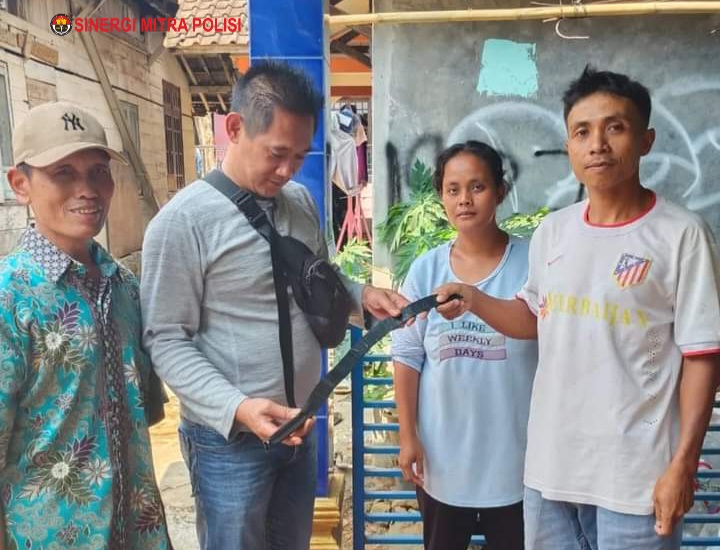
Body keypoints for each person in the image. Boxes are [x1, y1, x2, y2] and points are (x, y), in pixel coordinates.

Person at [434, 66, 720, 550]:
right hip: (550, 475)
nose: (597, 145)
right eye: (582, 132)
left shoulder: (681, 235)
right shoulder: (554, 232)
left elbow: (702, 356)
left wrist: (683, 465)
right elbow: (533, 318)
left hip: (636, 481)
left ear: (646, 140)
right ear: (568, 145)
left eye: (615, 128)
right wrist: (473, 298)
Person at [140, 60, 407, 550]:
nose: (287, 171)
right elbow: (166, 339)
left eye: (299, 157)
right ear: (235, 128)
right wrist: (238, 408)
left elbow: (318, 282)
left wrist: (361, 296)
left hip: (300, 428)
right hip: (229, 444)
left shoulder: (300, 201)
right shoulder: (182, 223)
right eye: (277, 154)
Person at [0, 102, 172, 549]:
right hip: (48, 537)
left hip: (138, 531)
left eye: (99, 172)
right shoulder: (10, 297)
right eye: (63, 173)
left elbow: (146, 411)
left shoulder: (124, 287)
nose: (88, 190)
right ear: (20, 184)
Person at [391, 141, 537, 550]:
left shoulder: (531, 262)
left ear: (500, 191)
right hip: (443, 462)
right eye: (452, 189)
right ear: (441, 196)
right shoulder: (426, 269)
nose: (464, 200)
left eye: (477, 187)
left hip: (516, 464)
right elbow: (407, 355)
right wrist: (408, 435)